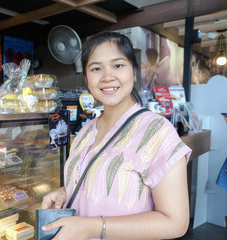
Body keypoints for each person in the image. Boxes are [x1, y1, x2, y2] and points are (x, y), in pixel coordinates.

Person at [41, 31, 192, 240]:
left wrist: (94, 227)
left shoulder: (156, 131)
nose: (107, 76)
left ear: (134, 72)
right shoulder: (86, 131)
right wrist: (65, 192)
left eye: (118, 65)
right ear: (86, 78)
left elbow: (175, 223)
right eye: (96, 68)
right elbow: (94, 180)